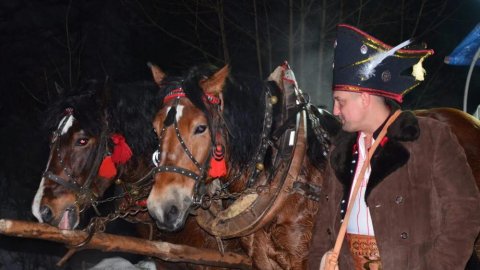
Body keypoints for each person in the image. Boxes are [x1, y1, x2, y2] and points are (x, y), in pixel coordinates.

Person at [308, 24, 480, 270]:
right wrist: (320, 261)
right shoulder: (340, 149)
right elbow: (324, 224)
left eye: (340, 101)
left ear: (364, 98)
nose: (335, 111)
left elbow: (465, 212)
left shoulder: (430, 137)